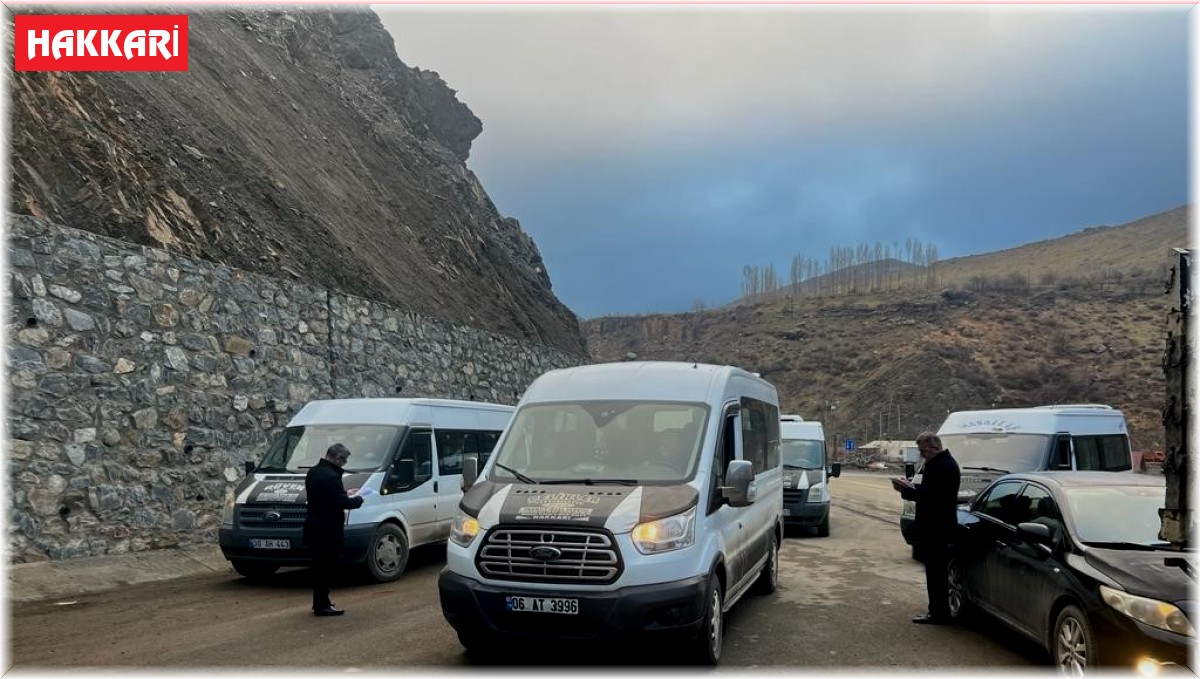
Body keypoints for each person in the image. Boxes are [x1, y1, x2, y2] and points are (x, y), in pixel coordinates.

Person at [890, 431, 960, 625]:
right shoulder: (938, 464)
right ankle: (937, 611)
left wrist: (906, 491)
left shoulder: (943, 467)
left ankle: (938, 613)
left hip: (938, 528)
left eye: (923, 451)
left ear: (934, 448)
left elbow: (933, 498)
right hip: (936, 527)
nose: (921, 455)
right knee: (935, 573)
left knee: (936, 574)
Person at [303, 442, 367, 616]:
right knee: (325, 568)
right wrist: (358, 499)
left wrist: (344, 492)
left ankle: (320, 602)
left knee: (319, 568)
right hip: (327, 529)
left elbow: (325, 496)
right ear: (338, 458)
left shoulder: (313, 472)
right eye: (344, 460)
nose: (344, 464)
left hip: (314, 526)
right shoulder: (331, 476)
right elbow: (340, 503)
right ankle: (322, 605)